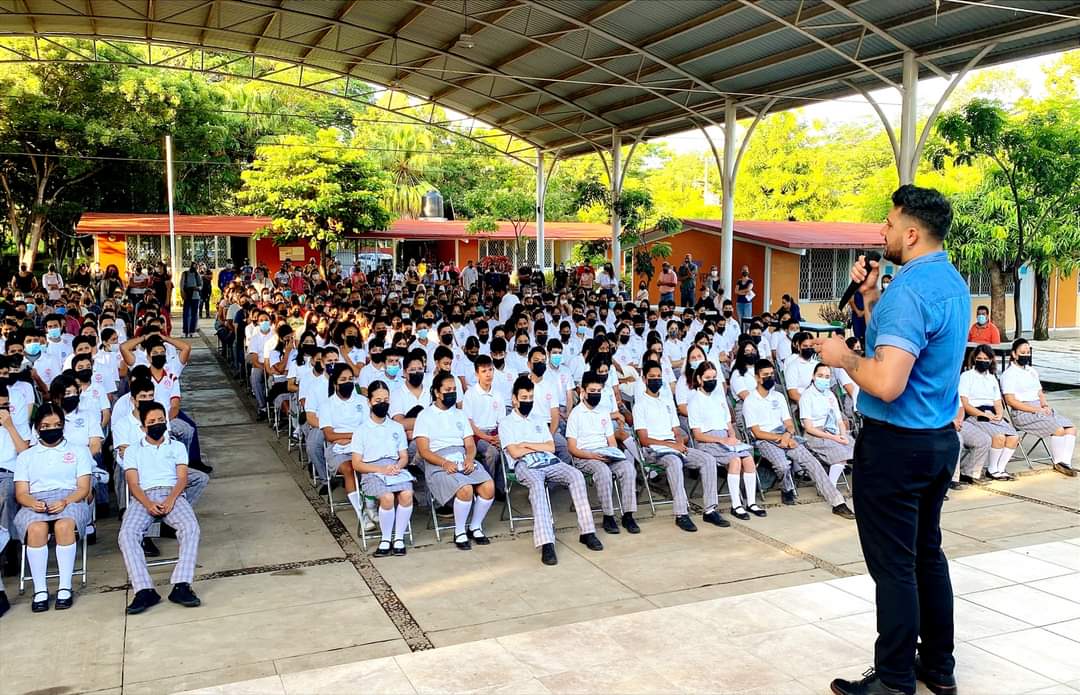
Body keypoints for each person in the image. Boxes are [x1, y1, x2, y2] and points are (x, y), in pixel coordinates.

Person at [816, 185, 967, 695]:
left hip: (896, 445)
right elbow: (906, 345)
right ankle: (938, 667)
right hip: (937, 442)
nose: (880, 232)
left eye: (887, 223)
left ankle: (896, 678)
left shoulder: (912, 291)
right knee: (927, 555)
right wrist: (871, 296)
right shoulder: (949, 281)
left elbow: (885, 382)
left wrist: (842, 357)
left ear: (909, 231)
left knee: (895, 566)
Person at [499, 376, 603, 565]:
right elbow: (514, 452)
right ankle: (547, 543)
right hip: (525, 465)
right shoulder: (506, 423)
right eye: (524, 397)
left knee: (576, 475)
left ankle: (587, 532)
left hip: (548, 460)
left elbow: (551, 448)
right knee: (538, 486)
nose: (528, 401)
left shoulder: (538, 420)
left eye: (531, 397)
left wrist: (527, 444)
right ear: (514, 399)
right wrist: (534, 447)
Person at [118, 400, 202, 614]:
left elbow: (182, 478)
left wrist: (171, 500)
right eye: (152, 422)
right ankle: (144, 589)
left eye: (161, 420)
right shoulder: (133, 451)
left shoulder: (176, 447)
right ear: (142, 426)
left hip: (172, 494)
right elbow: (132, 483)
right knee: (127, 534)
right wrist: (148, 503)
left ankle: (182, 584)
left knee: (190, 527)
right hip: (142, 497)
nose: (157, 424)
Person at [743, 359, 854, 518]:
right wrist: (780, 438)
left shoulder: (779, 396)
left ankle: (837, 502)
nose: (770, 378)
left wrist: (787, 436)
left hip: (784, 435)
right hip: (765, 439)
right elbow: (757, 432)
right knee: (782, 465)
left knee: (812, 462)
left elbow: (789, 424)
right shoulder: (750, 400)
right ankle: (786, 488)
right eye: (765, 375)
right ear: (757, 378)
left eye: (772, 374)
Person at [13, 404, 92, 612]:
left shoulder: (78, 451)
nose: (52, 429)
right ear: (37, 427)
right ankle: (40, 590)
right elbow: (21, 493)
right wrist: (33, 503)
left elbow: (83, 487)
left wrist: (66, 501)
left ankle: (65, 587)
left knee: (64, 526)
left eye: (57, 425)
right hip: (36, 501)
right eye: (46, 426)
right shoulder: (26, 457)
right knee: (36, 529)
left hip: (70, 498)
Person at [632, 360, 727, 532]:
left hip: (673, 447)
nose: (656, 380)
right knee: (674, 462)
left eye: (659, 376)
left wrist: (679, 442)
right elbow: (644, 440)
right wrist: (671, 446)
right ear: (644, 379)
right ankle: (681, 514)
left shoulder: (667, 401)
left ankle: (710, 509)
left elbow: (677, 430)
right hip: (654, 450)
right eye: (652, 377)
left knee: (707, 459)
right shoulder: (640, 405)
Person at [413, 371, 495, 550]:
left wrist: (469, 459)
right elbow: (424, 450)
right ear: (436, 392)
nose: (452, 393)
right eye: (447, 389)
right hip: (438, 461)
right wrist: (444, 463)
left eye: (454, 389)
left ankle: (475, 526)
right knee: (465, 489)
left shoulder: (460, 414)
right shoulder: (425, 416)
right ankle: (459, 532)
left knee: (488, 486)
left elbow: (470, 444)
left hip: (461, 457)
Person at [565, 370, 640, 534]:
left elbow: (611, 440)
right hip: (585, 455)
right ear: (583, 392)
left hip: (605, 453)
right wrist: (592, 455)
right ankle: (608, 515)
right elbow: (572, 448)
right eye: (592, 391)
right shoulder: (575, 415)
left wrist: (613, 453)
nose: (596, 395)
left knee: (628, 468)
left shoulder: (603, 412)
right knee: (603, 472)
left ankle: (628, 514)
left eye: (598, 391)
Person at [687, 362, 764, 520]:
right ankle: (736, 505)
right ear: (700, 379)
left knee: (748, 458)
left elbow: (728, 423)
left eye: (714, 377)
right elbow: (698, 435)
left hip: (725, 438)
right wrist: (722, 440)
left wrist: (732, 436)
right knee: (735, 460)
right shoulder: (695, 400)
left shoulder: (719, 396)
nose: (712, 381)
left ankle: (751, 502)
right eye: (708, 378)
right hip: (709, 440)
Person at [351, 380, 413, 557]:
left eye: (386, 400)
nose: (383, 404)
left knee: (407, 494)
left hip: (394, 468)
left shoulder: (396, 427)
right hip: (372, 471)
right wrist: (380, 469)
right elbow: (357, 463)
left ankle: (399, 538)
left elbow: (404, 457)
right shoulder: (361, 430)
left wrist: (396, 467)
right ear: (369, 402)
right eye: (378, 400)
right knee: (386, 498)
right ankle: (386, 539)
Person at [1001, 338, 1076, 477]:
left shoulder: (1031, 371)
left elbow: (1039, 392)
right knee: (1058, 429)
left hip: (1040, 408)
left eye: (1028, 352)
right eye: (1022, 352)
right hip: (1023, 412)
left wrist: (1045, 405)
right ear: (1014, 354)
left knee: (1071, 428)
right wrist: (1036, 410)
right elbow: (1010, 401)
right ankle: (1058, 461)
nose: (1025, 355)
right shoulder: (1009, 374)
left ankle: (1065, 462)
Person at [959, 345, 1019, 481]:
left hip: (992, 413)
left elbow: (997, 401)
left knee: (1013, 437)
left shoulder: (992, 378)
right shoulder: (967, 376)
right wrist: (984, 415)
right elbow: (965, 403)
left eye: (986, 358)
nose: (983, 361)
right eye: (979, 358)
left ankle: (1000, 468)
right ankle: (992, 469)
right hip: (975, 413)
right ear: (974, 359)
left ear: (991, 360)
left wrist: (999, 414)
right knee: (999, 437)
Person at [799, 363, 854, 489]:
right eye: (820, 375)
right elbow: (809, 428)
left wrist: (843, 435)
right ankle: (831, 487)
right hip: (815, 434)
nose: (824, 379)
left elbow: (839, 420)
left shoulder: (830, 395)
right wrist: (834, 438)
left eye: (827, 376)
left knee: (857, 449)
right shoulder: (807, 396)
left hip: (833, 430)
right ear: (813, 376)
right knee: (840, 454)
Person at [180, 263, 202, 337]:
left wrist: (197, 288)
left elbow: (201, 285)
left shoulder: (197, 274)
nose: (194, 268)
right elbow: (181, 285)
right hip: (187, 296)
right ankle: (185, 331)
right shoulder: (185, 274)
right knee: (186, 314)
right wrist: (183, 294)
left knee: (194, 314)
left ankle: (192, 330)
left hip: (195, 296)